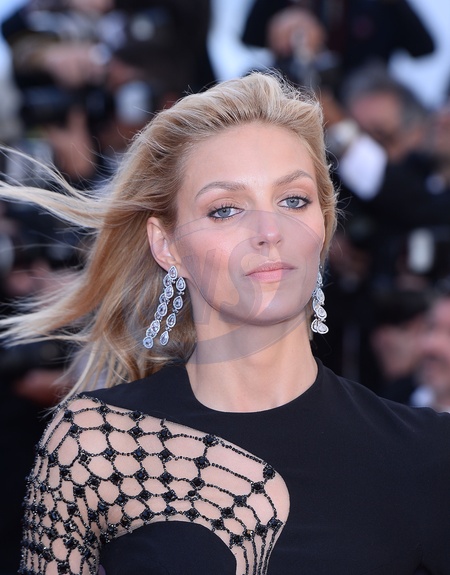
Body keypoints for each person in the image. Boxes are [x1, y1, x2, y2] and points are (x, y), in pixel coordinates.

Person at [3, 72, 450, 575]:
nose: (269, 231)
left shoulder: (427, 454)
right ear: (166, 245)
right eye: (225, 209)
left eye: (293, 200)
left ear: (323, 225)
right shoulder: (95, 447)